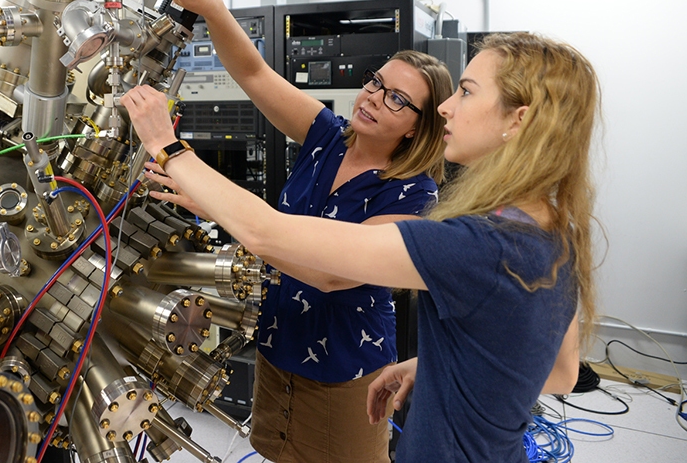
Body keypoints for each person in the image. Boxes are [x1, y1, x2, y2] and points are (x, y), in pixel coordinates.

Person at [121, 31, 598, 463]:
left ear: (519, 120)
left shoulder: (470, 242)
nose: (448, 107)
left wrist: (168, 145)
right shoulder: (553, 233)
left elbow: (278, 240)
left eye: (467, 92)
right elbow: (560, 372)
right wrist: (438, 367)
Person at [142, 0, 452, 462]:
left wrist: (216, 201)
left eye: (397, 100)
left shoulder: (413, 198)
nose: (373, 98)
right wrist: (212, 9)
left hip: (344, 372)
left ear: (418, 127)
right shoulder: (327, 135)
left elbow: (330, 273)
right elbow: (252, 73)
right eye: (377, 83)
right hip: (279, 346)